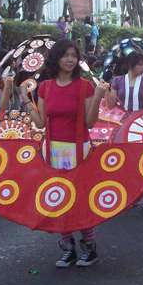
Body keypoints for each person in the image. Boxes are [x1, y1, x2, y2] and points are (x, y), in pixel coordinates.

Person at [27, 39, 108, 267]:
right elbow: (41, 122)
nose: (70, 59)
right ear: (57, 58)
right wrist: (25, 99)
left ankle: (89, 246)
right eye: (65, 55)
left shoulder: (85, 86)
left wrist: (100, 94)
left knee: (79, 196)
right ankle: (68, 247)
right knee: (59, 197)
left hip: (79, 148)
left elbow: (90, 123)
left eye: (73, 55)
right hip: (54, 148)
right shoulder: (45, 87)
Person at [105, 52, 143, 208]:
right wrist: (106, 91)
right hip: (122, 124)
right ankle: (130, 194)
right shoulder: (117, 80)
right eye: (140, 65)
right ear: (131, 65)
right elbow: (110, 105)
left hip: (141, 125)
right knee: (126, 160)